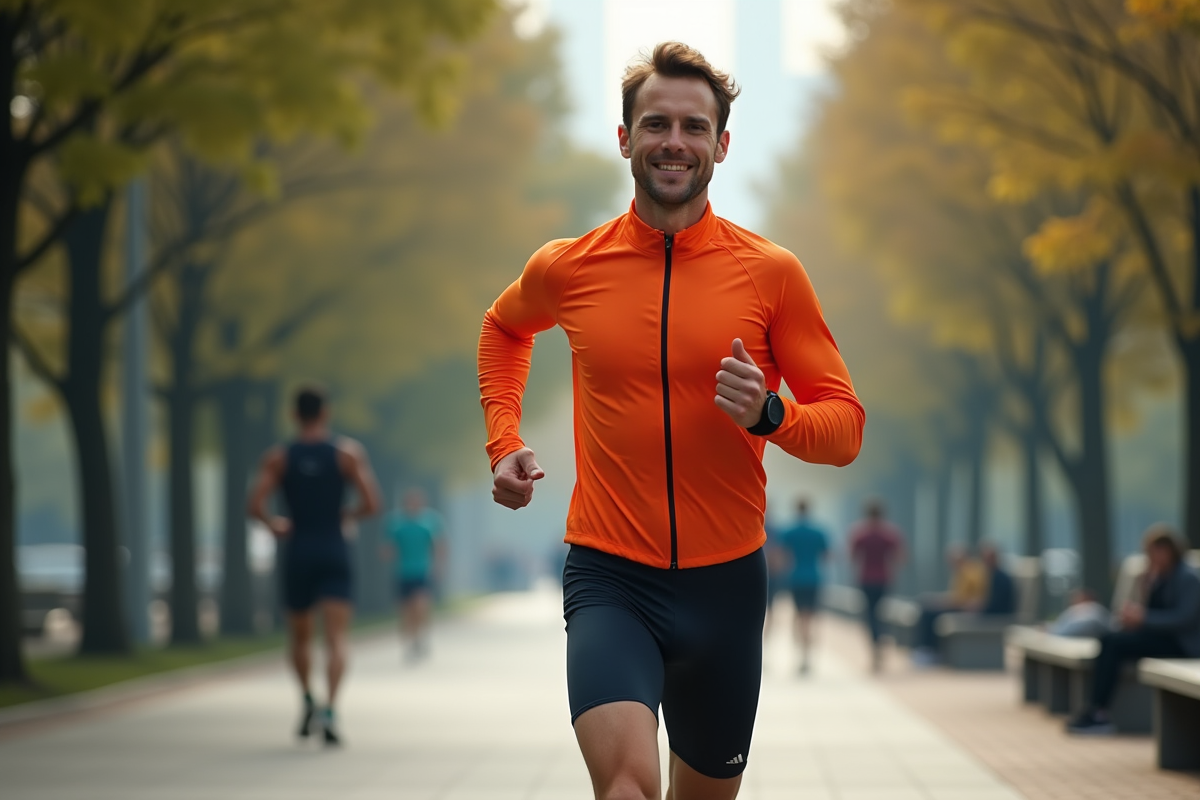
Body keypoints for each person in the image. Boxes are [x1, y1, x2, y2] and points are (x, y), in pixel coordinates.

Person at [477, 42, 864, 800]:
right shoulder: (569, 266)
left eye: (694, 126)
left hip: (726, 585)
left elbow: (845, 428)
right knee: (627, 788)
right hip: (609, 573)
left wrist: (769, 413)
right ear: (625, 138)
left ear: (721, 143)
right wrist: (505, 440)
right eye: (656, 124)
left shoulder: (771, 274)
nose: (674, 143)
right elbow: (503, 327)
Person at [248, 385, 382, 746]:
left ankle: (307, 698)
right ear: (325, 413)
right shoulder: (347, 454)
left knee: (300, 636)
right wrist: (346, 515)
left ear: (294, 415)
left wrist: (276, 524)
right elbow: (372, 502)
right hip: (333, 548)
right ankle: (331, 709)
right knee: (337, 637)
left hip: (298, 550)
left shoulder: (279, 457)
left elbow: (255, 504)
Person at [1068, 524, 1200, 735]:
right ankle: (1095, 709)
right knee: (1109, 639)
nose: (1149, 558)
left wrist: (1143, 617)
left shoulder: (1187, 577)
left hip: (1181, 644)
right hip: (1162, 638)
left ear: (1167, 550)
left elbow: (1184, 619)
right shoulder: (1161, 576)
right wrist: (1141, 601)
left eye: (1152, 552)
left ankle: (1099, 712)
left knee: (1114, 644)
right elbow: (1155, 612)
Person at [382, 487, 445, 662]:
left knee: (421, 605)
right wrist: (387, 552)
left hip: (423, 570)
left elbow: (438, 545)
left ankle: (420, 637)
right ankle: (409, 641)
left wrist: (438, 566)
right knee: (406, 611)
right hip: (402, 571)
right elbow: (388, 546)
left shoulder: (430, 521)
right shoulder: (396, 523)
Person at [848, 499, 904, 673]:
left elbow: (853, 556)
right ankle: (882, 642)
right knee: (881, 613)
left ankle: (874, 648)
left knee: (870, 614)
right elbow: (900, 556)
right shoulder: (889, 534)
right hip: (884, 578)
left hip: (866, 578)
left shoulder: (860, 533)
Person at [774, 500, 830, 675]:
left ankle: (800, 655)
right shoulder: (819, 532)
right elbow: (826, 556)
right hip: (814, 578)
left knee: (798, 617)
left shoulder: (788, 532)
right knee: (811, 617)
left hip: (795, 578)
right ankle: (808, 655)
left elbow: (781, 557)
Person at [1047, 588, 1114, 638]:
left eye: (1077, 597)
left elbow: (1089, 624)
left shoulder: (1093, 609)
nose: (1072, 601)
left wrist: (1053, 632)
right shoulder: (1078, 610)